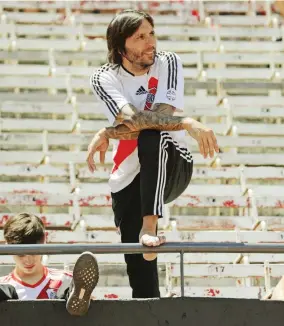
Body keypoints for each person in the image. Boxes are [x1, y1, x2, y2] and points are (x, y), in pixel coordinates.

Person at [86, 9, 219, 299]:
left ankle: (151, 223)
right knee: (139, 266)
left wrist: (109, 131)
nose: (151, 43)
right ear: (121, 48)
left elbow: (159, 118)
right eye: (140, 37)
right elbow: (133, 119)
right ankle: (149, 308)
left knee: (152, 135)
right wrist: (187, 122)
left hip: (174, 163)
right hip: (127, 176)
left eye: (152, 34)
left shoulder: (168, 62)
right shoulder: (104, 78)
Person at [0, 213, 99, 316]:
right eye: (21, 254)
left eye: (34, 252)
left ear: (44, 243)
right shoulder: (4, 285)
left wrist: (86, 299)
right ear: (8, 248)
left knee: (68, 286)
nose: (28, 260)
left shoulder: (65, 279)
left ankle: (77, 295)